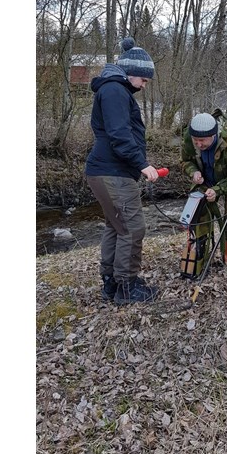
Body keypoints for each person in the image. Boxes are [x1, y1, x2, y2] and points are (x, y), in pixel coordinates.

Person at [85, 37, 160, 305]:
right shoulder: (116, 91)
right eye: (144, 80)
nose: (144, 85)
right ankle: (126, 289)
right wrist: (142, 164)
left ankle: (112, 283)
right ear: (133, 73)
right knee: (132, 228)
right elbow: (120, 135)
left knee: (115, 226)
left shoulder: (113, 89)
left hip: (107, 171)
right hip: (112, 172)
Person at [180, 110, 227, 266]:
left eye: (202, 140)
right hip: (204, 181)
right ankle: (201, 253)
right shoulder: (189, 138)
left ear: (214, 135)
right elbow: (185, 161)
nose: (199, 144)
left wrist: (218, 190)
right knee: (197, 214)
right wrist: (193, 171)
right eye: (196, 140)